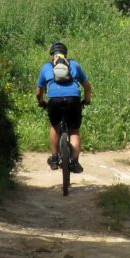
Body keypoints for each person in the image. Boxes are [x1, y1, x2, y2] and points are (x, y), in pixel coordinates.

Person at [36, 41, 92, 173]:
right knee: (74, 131)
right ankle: (74, 162)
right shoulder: (74, 65)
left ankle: (55, 159)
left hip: (54, 100)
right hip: (73, 100)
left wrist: (41, 102)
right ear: (66, 55)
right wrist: (86, 100)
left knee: (55, 126)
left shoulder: (46, 67)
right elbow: (87, 87)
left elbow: (38, 92)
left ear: (52, 55)